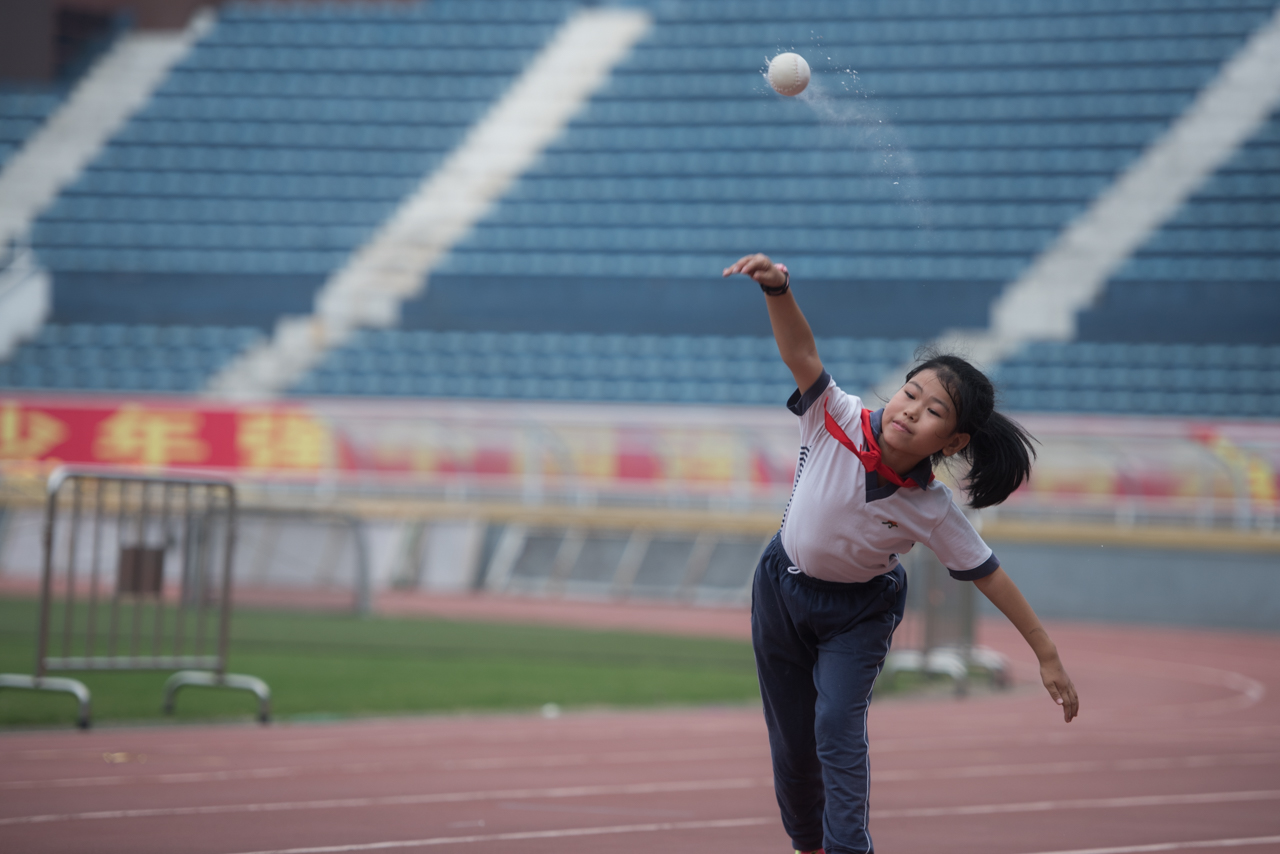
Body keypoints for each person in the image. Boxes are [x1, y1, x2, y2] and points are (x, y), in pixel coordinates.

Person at [722, 253, 1079, 854]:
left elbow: (990, 577)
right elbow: (801, 353)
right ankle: (808, 844)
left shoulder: (933, 508)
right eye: (911, 393)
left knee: (836, 725)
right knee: (790, 741)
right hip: (780, 589)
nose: (911, 409)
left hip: (858, 613)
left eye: (933, 410)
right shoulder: (833, 415)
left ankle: (847, 849)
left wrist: (1047, 655)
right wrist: (778, 289)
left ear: (954, 440)